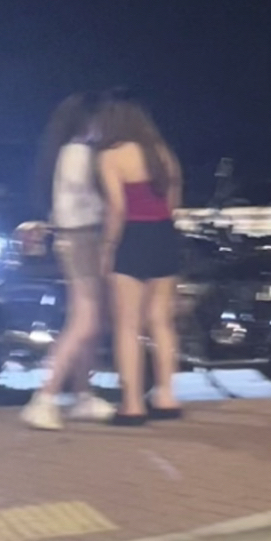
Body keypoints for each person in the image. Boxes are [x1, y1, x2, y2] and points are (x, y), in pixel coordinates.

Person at [20, 92, 116, 431]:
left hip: (72, 237)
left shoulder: (62, 152)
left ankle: (82, 394)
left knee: (88, 320)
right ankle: (45, 397)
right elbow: (90, 200)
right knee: (85, 321)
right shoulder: (80, 153)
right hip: (83, 237)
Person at [95, 97, 185, 425]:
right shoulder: (162, 153)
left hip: (132, 237)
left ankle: (132, 404)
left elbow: (117, 208)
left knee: (128, 325)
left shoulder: (110, 155)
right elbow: (172, 202)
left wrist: (107, 247)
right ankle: (166, 396)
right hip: (164, 234)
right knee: (161, 321)